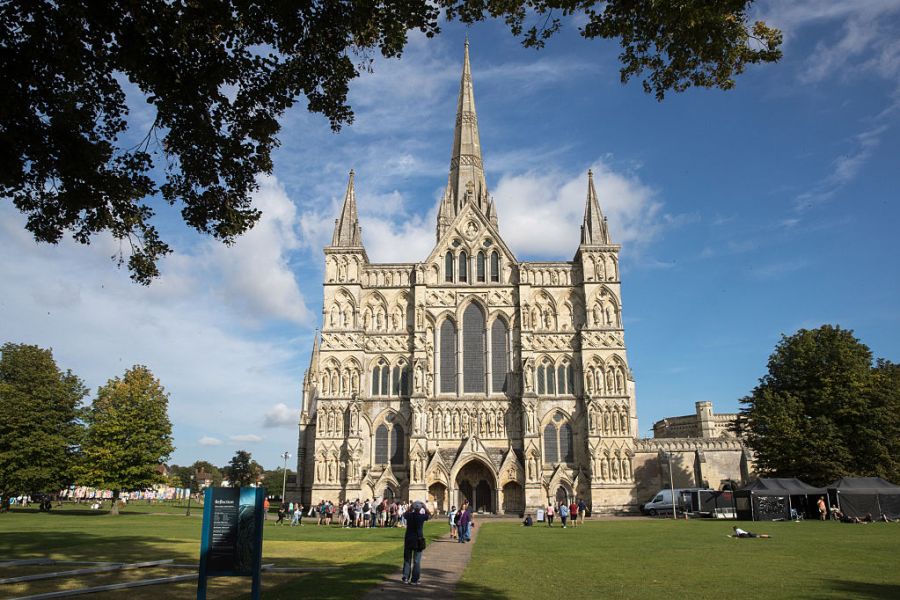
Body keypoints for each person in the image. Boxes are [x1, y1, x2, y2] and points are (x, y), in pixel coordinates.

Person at [402, 500, 431, 585]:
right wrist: (424, 507)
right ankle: (414, 580)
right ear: (420, 509)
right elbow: (429, 515)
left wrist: (410, 507)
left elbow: (404, 514)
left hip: (409, 539)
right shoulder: (421, 516)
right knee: (417, 561)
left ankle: (405, 577)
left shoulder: (409, 515)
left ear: (413, 508)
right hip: (418, 539)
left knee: (407, 559)